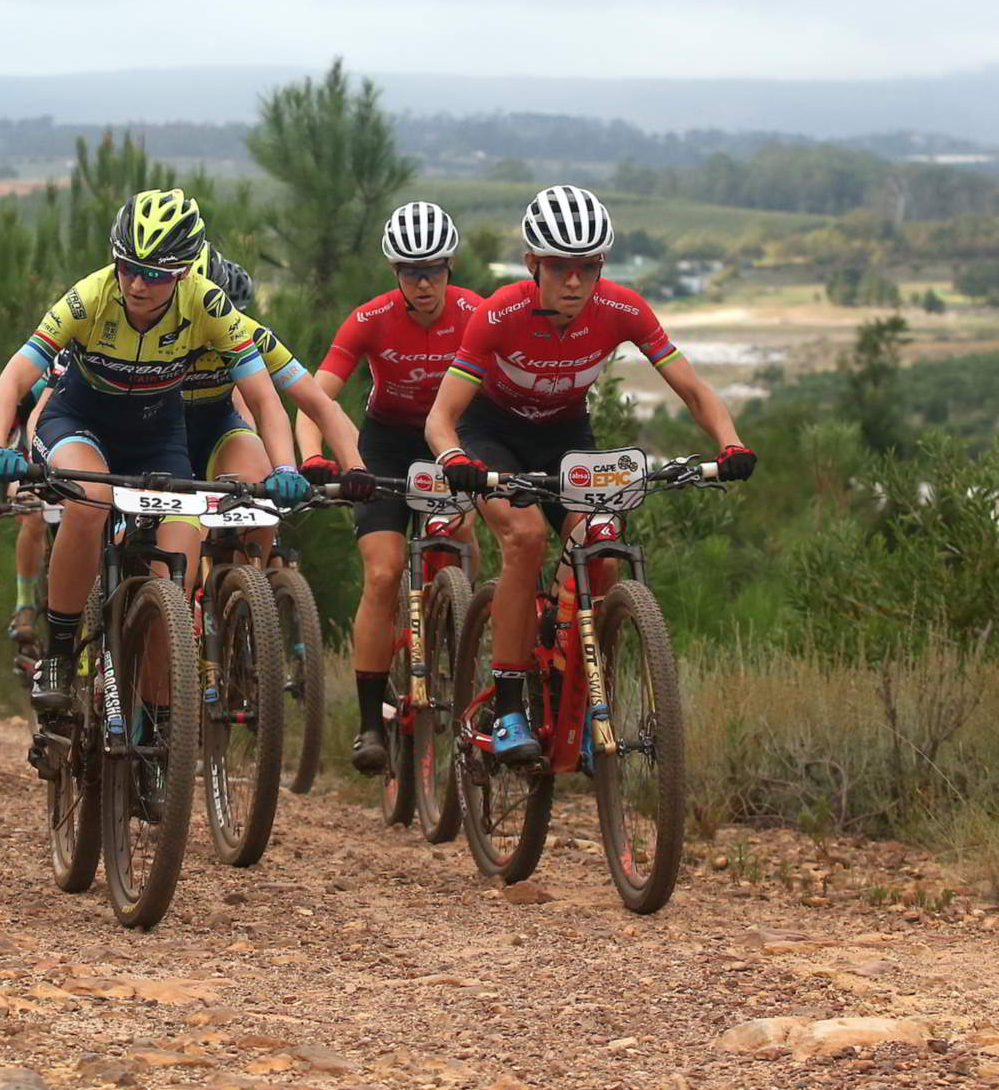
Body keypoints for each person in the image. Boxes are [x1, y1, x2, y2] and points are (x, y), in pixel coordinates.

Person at [424, 186, 757, 766]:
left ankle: (574, 694)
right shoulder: (498, 313)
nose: (574, 282)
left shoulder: (623, 309)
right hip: (491, 436)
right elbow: (440, 419)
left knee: (599, 543)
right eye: (559, 267)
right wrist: (456, 461)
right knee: (525, 538)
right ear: (533, 265)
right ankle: (506, 707)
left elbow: (693, 389)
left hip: (565, 437)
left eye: (588, 266)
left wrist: (728, 443)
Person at [0, 189, 311, 736]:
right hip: (79, 424)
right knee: (89, 506)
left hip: (159, 438)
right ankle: (59, 651)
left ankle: (155, 724)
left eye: (156, 274)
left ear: (182, 273)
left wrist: (286, 467)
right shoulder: (88, 297)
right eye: (128, 266)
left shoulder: (207, 303)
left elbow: (266, 399)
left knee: (173, 585)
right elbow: (11, 380)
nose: (137, 283)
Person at [294, 202, 482, 773]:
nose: (424, 283)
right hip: (387, 446)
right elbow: (315, 398)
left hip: (450, 439)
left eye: (434, 270)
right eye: (410, 272)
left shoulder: (478, 313)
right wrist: (313, 457)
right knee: (382, 572)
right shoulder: (370, 319)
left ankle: (459, 635)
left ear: (450, 267)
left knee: (459, 538)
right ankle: (371, 720)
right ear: (394, 273)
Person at [180, 253, 372, 557]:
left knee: (261, 505)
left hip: (218, 428)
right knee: (174, 540)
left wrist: (355, 468)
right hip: (160, 433)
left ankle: (246, 591)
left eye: (211, 306)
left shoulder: (248, 332)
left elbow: (320, 405)